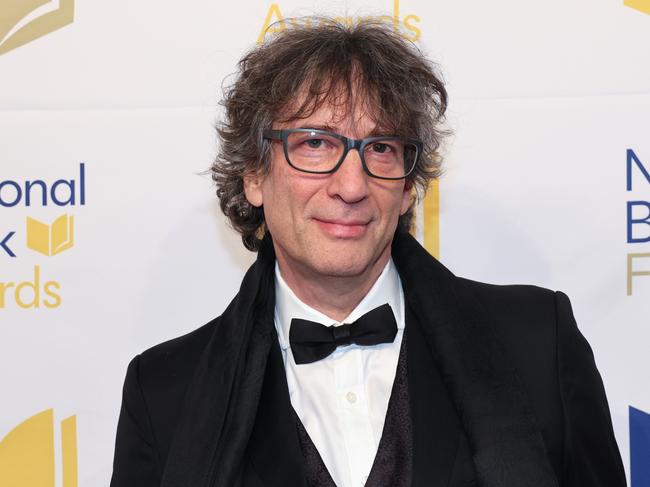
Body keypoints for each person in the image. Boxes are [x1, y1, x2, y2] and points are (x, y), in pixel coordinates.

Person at [110, 18, 627, 487]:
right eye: (315, 143)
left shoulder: (538, 342)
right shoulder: (163, 392)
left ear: (407, 187)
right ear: (254, 175)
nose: (352, 185)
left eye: (380, 147)